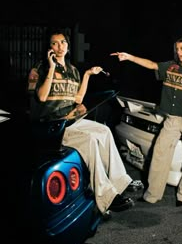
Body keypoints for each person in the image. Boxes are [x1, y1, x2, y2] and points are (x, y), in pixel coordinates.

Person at [28, 28, 142, 215]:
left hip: (70, 120)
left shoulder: (73, 71)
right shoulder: (40, 68)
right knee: (89, 141)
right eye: (54, 43)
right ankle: (107, 196)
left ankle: (121, 181)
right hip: (51, 125)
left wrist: (88, 74)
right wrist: (51, 67)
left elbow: (78, 99)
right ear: (49, 48)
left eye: (62, 42)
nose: (59, 47)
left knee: (103, 131)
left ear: (68, 45)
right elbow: (41, 97)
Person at [110, 35, 182, 207]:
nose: (179, 52)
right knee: (159, 154)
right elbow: (151, 64)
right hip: (171, 120)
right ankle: (153, 195)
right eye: (177, 49)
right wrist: (129, 57)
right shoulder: (170, 67)